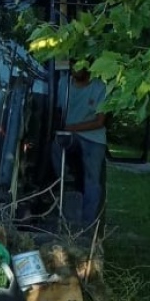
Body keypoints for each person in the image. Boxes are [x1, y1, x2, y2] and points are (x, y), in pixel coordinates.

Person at [53, 62, 108, 228]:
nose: (76, 69)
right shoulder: (63, 84)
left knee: (93, 179)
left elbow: (100, 121)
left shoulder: (100, 87)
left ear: (88, 66)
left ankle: (88, 224)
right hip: (67, 134)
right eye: (74, 65)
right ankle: (66, 181)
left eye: (80, 65)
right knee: (54, 147)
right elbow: (56, 110)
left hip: (93, 137)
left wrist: (71, 127)